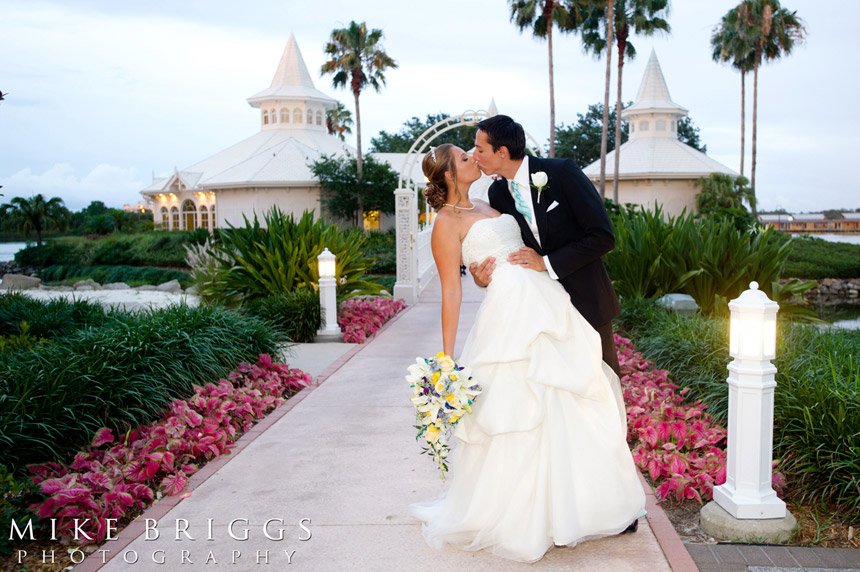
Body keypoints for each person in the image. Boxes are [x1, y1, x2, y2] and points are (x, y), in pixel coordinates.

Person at [409, 143, 645, 563]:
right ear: (448, 174)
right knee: (518, 406)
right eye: (465, 158)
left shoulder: (492, 200)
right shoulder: (445, 224)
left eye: (476, 151)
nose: (474, 159)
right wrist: (447, 358)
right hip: (509, 312)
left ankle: (580, 506)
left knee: (570, 395)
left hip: (548, 299)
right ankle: (523, 515)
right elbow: (451, 290)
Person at [469, 115, 622, 377]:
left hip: (586, 300)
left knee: (602, 385)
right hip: (540, 310)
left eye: (480, 149)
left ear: (502, 152)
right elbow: (506, 245)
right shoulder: (498, 194)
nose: (474, 155)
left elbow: (602, 236)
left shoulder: (562, 173)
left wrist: (546, 262)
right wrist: (482, 278)